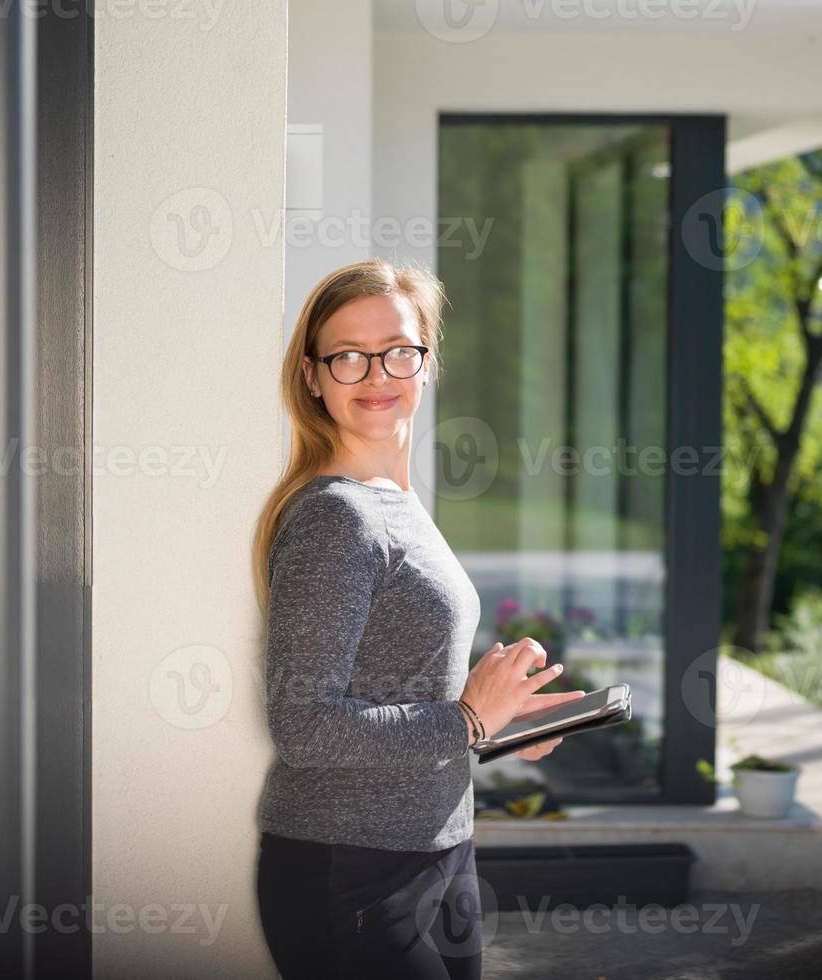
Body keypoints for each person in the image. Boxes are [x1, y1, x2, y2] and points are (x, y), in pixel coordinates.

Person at [251, 258, 586, 980]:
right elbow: (303, 726)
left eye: (399, 350)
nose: (377, 373)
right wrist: (465, 719)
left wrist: (493, 724)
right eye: (347, 356)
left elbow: (394, 695)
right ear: (312, 375)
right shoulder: (337, 517)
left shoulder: (394, 501)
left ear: (428, 363)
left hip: (438, 851)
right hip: (351, 872)